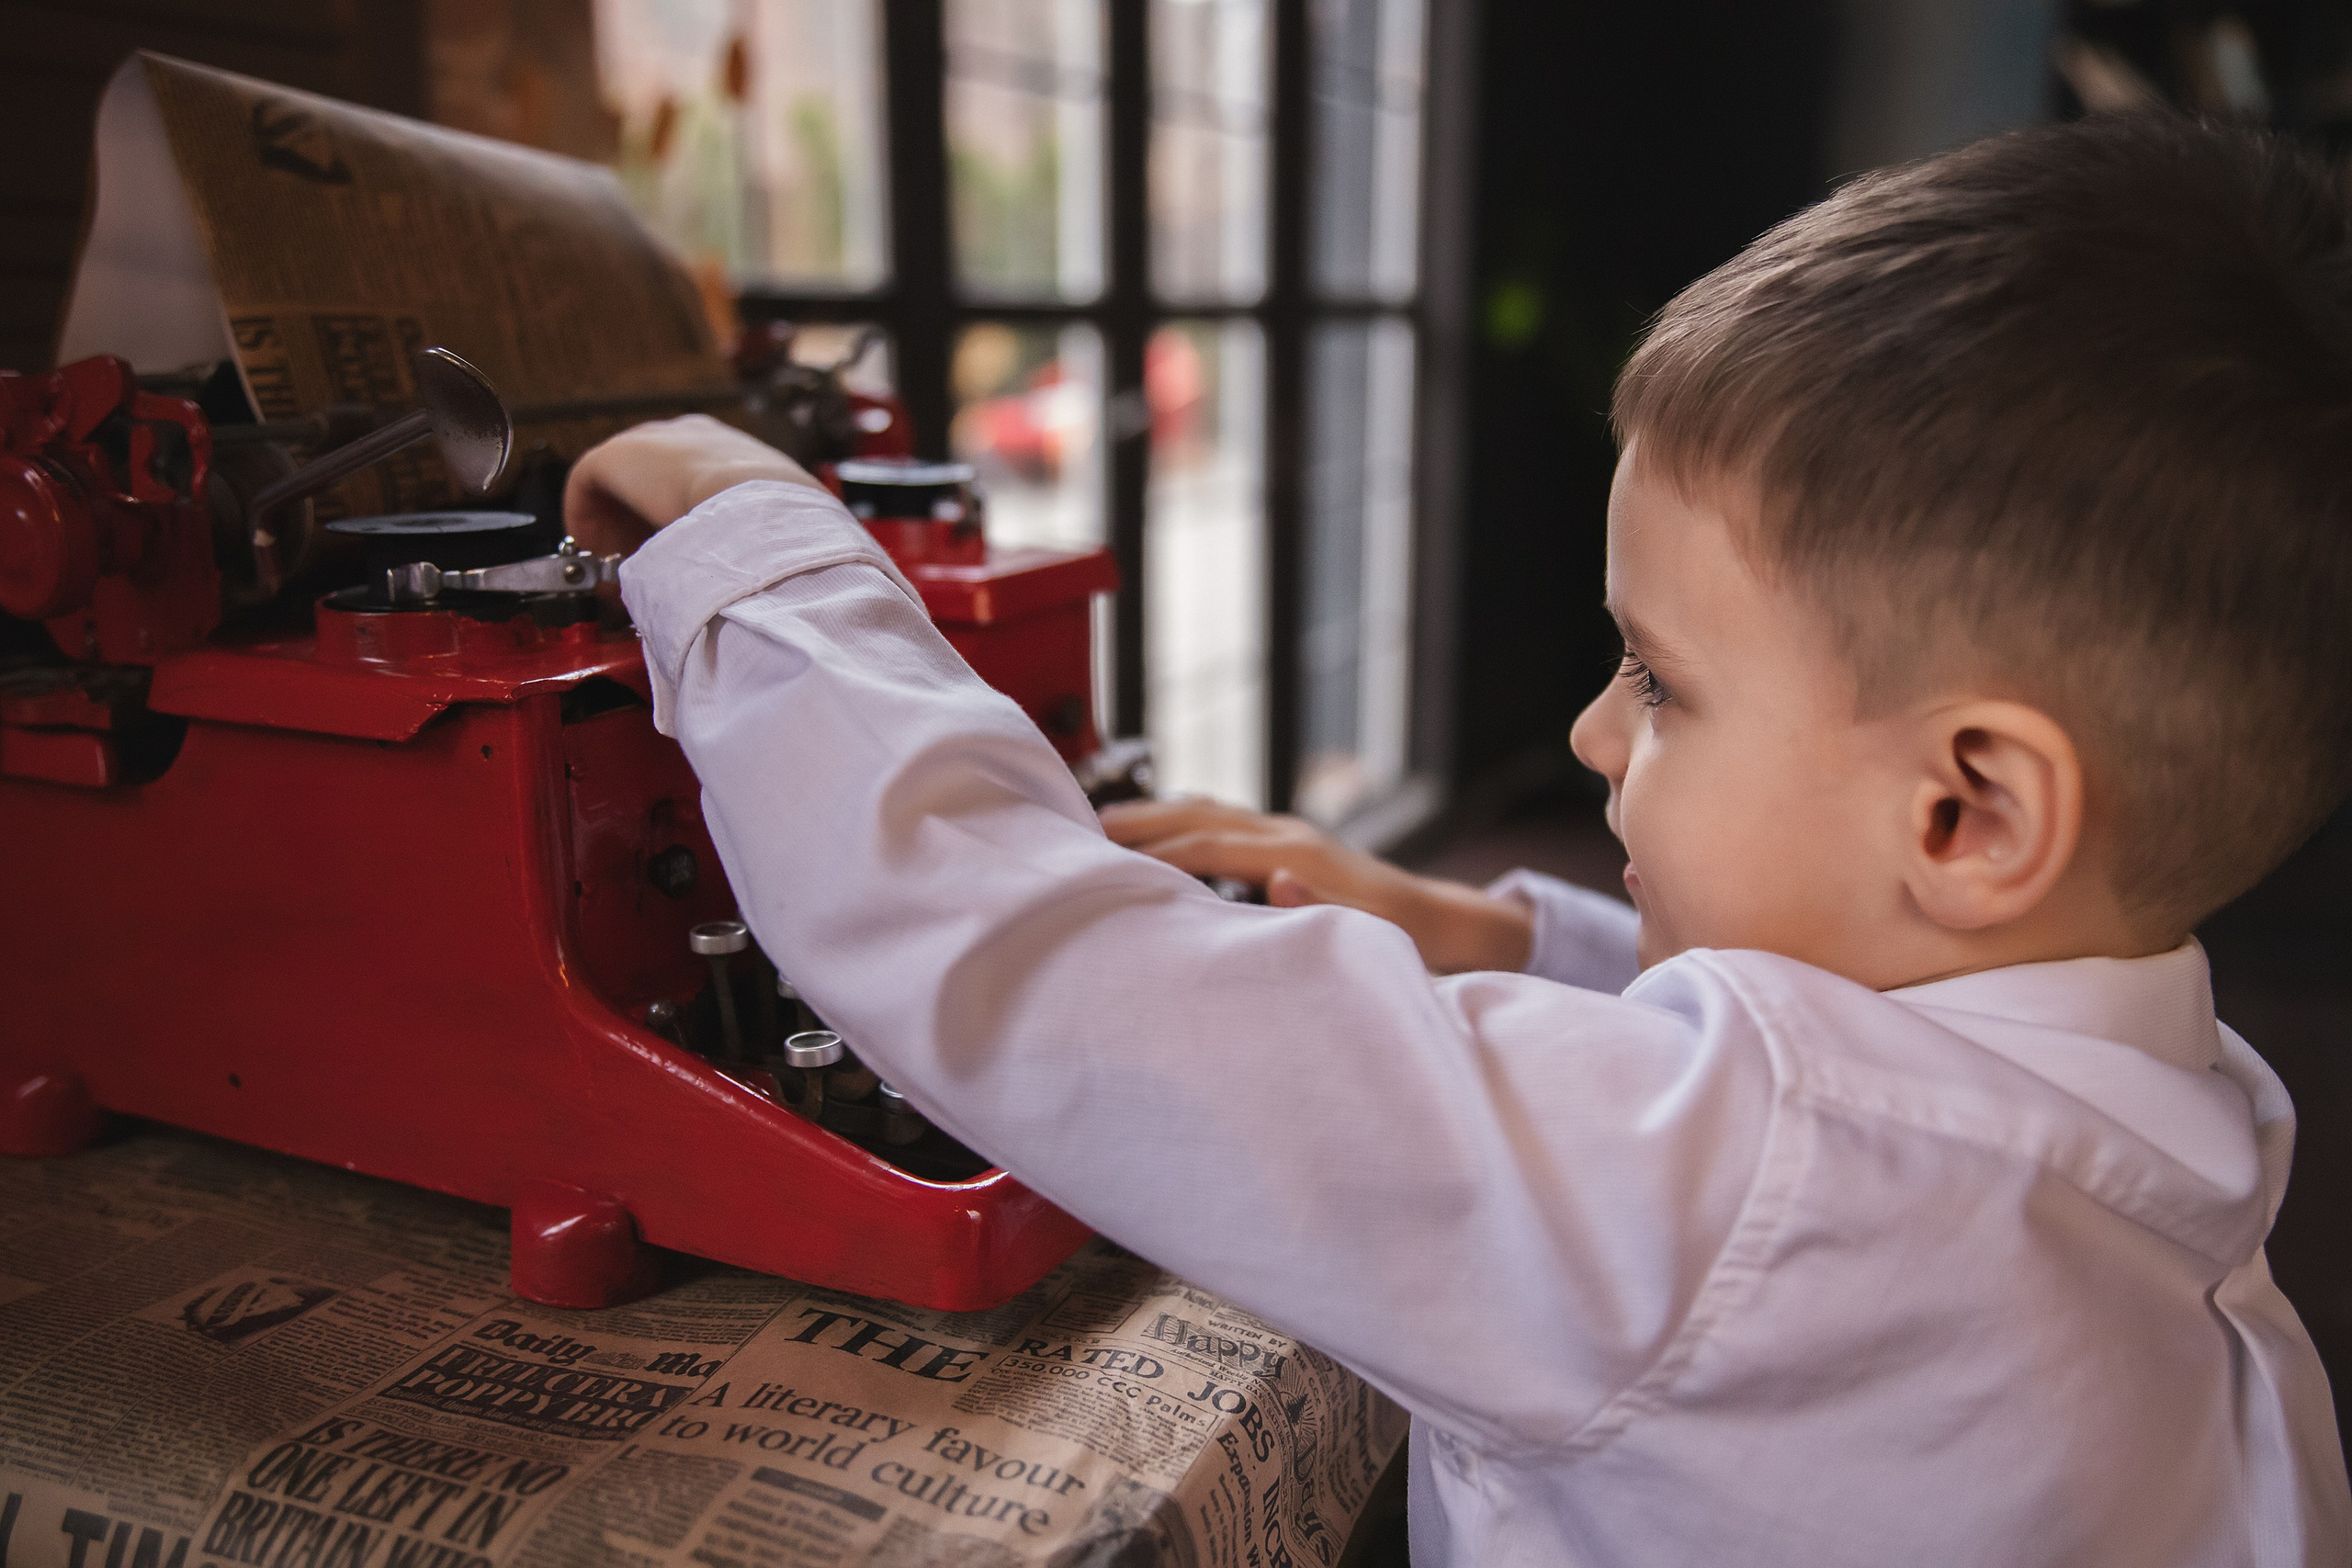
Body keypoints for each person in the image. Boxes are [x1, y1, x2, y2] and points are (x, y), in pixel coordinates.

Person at [567, 113, 2351, 1565]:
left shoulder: (1741, 1191)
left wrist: (760, 535)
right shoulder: (2187, 1089)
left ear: (1966, 811)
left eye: (1656, 681)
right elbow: (1844, 1068)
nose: (1586, 733)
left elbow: (1026, 968)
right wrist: (1478, 932)